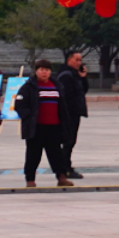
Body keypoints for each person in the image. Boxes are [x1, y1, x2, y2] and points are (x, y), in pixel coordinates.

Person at [13, 60, 73, 188]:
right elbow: (19, 105)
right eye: (41, 70)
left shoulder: (57, 85)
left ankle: (61, 177)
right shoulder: (29, 87)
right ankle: (30, 179)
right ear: (36, 71)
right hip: (36, 128)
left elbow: (63, 106)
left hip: (54, 127)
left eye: (47, 70)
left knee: (56, 154)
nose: (44, 72)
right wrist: (29, 117)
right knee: (33, 155)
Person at [56, 50, 89, 180]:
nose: (79, 63)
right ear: (69, 60)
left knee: (71, 141)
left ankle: (65, 167)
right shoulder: (66, 75)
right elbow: (67, 96)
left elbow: (83, 90)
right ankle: (65, 168)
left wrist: (83, 77)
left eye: (80, 60)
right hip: (68, 113)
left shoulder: (74, 75)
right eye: (76, 60)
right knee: (68, 141)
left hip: (75, 112)